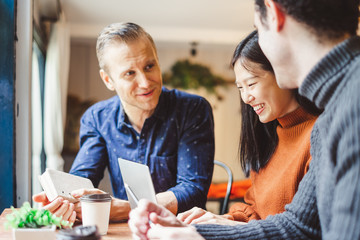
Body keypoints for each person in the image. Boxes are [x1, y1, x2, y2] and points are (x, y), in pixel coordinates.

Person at [129, 0, 360, 239]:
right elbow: (298, 226)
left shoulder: (349, 104)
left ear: (273, 13)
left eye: (258, 31)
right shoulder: (333, 112)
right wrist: (193, 232)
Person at [33, 22, 215, 223]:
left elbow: (193, 191)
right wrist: (64, 200)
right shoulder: (97, 118)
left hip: (181, 230)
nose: (145, 82)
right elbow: (81, 182)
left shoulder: (193, 109)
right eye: (130, 73)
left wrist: (127, 208)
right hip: (125, 232)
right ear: (108, 80)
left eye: (149, 66)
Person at [177, 30, 320, 226]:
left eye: (251, 84)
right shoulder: (268, 137)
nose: (245, 98)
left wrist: (228, 226)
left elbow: (302, 227)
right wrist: (221, 219)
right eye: (240, 88)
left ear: (284, 74)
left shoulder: (319, 135)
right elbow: (255, 210)